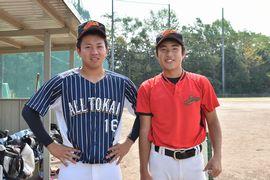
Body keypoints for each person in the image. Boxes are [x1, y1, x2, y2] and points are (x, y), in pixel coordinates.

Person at [22, 20, 139, 180]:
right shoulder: (62, 81)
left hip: (110, 167)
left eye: (99, 46)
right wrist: (51, 145)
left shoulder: (121, 83)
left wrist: (129, 142)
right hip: (74, 167)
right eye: (88, 46)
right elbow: (29, 111)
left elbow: (144, 113)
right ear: (79, 50)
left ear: (107, 49)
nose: (94, 52)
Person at [137, 29, 222, 180]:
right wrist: (144, 169)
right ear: (157, 55)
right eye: (163, 50)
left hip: (194, 161)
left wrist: (217, 156)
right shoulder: (147, 87)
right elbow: (144, 130)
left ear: (183, 53)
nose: (169, 54)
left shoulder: (201, 83)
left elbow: (213, 121)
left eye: (174, 49)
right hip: (160, 160)